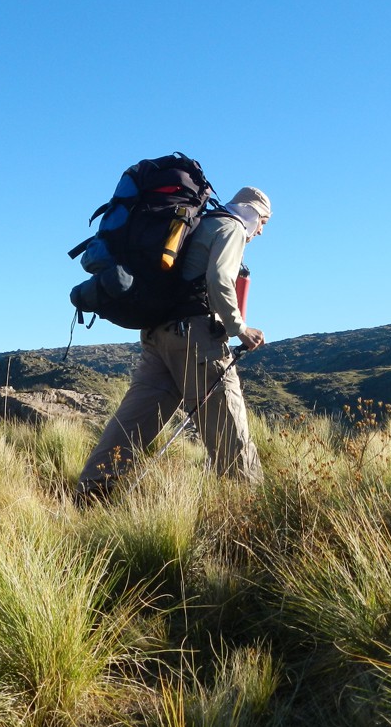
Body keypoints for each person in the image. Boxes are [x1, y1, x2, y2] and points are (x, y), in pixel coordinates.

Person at [76, 186, 272, 502]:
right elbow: (219, 279)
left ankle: (92, 491)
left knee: (135, 417)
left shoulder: (198, 222)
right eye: (263, 221)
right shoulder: (231, 226)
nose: (261, 230)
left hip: (158, 334)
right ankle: (247, 507)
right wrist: (240, 328)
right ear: (251, 212)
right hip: (196, 339)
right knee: (226, 423)